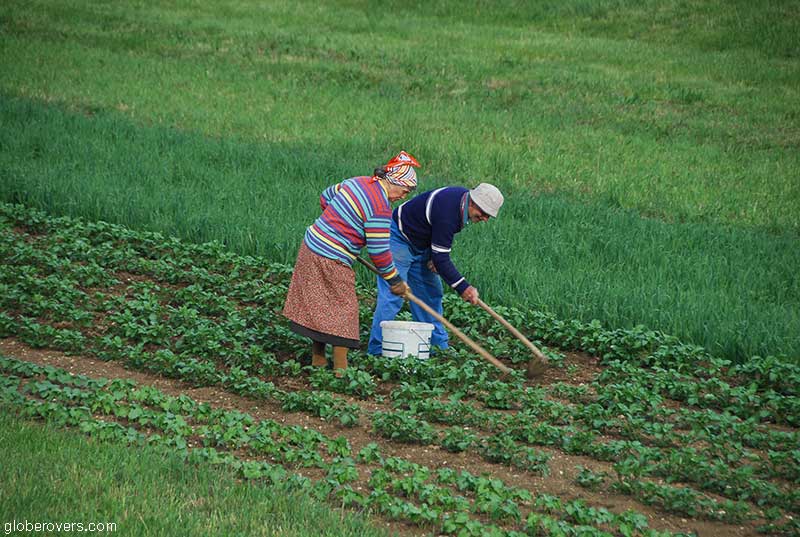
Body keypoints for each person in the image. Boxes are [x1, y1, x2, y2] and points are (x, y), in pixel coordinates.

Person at [282, 151, 419, 376]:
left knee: (317, 304)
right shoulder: (380, 208)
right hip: (332, 258)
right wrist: (395, 280)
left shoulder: (357, 182)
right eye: (403, 191)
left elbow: (325, 197)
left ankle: (318, 362)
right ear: (393, 182)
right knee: (343, 310)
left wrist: (339, 224)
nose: (402, 197)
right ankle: (341, 371)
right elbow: (379, 252)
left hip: (311, 245)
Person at [367, 183, 504, 356]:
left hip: (422, 244)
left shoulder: (462, 204)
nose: (485, 218)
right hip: (399, 238)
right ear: (473, 203)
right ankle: (377, 350)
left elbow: (438, 237)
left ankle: (436, 346)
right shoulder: (449, 211)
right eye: (483, 213)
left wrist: (434, 255)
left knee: (430, 293)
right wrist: (464, 288)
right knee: (394, 293)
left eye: (488, 216)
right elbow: (442, 256)